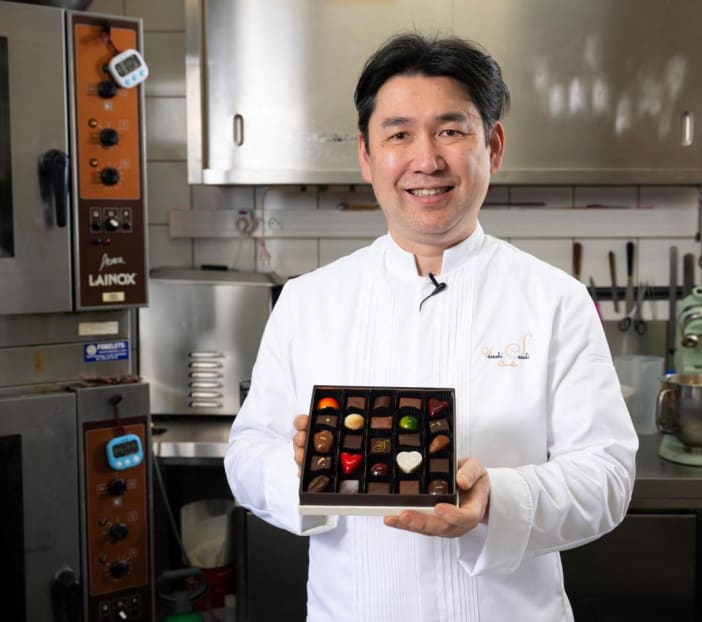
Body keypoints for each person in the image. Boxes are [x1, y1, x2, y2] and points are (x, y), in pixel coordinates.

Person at [225, 32, 638, 622]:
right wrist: (295, 469)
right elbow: (245, 455)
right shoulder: (307, 301)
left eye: (451, 130)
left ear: (492, 146)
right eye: (399, 134)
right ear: (367, 156)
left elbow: (608, 475)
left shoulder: (555, 300)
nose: (427, 159)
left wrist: (499, 497)